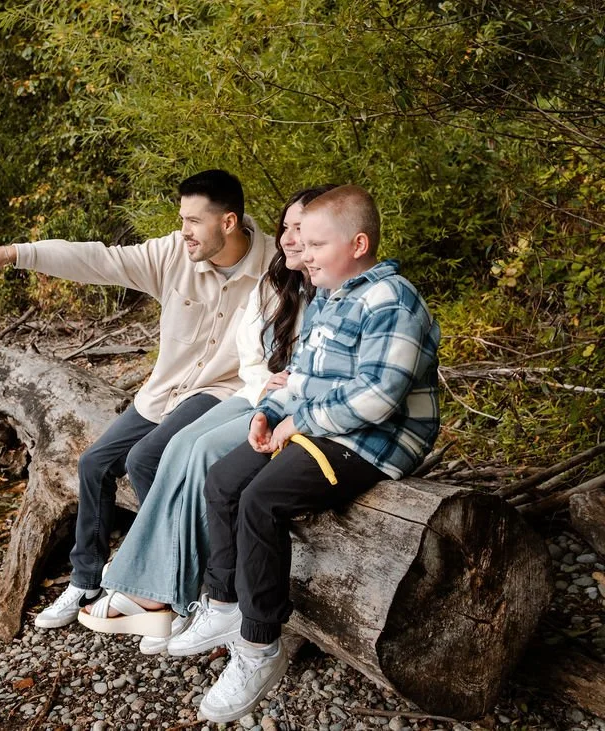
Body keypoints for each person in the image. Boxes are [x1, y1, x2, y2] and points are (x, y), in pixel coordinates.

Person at [0, 170, 275, 629]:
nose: (183, 232)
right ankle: (87, 578)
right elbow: (97, 260)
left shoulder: (276, 267)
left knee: (145, 461)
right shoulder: (172, 254)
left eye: (194, 221)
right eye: (182, 219)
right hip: (163, 391)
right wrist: (12, 254)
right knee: (94, 464)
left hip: (222, 391)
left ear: (229, 222)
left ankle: (172, 584)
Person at [178, 185, 441, 724]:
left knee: (261, 501)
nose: (303, 253)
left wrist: (301, 421)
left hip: (376, 440)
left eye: (316, 243)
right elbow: (303, 376)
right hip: (321, 426)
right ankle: (224, 603)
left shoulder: (391, 299)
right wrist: (270, 414)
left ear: (359, 244)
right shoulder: (328, 297)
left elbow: (378, 396)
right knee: (225, 479)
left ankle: (259, 646)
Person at [74, 186, 337, 649]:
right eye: (288, 229)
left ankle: (160, 593)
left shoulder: (335, 289)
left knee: (200, 457)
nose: (292, 240)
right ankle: (155, 588)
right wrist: (15, 253)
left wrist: (287, 389)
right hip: (259, 395)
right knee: (161, 452)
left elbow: (329, 371)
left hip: (281, 406)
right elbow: (253, 356)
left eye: (305, 231)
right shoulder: (276, 282)